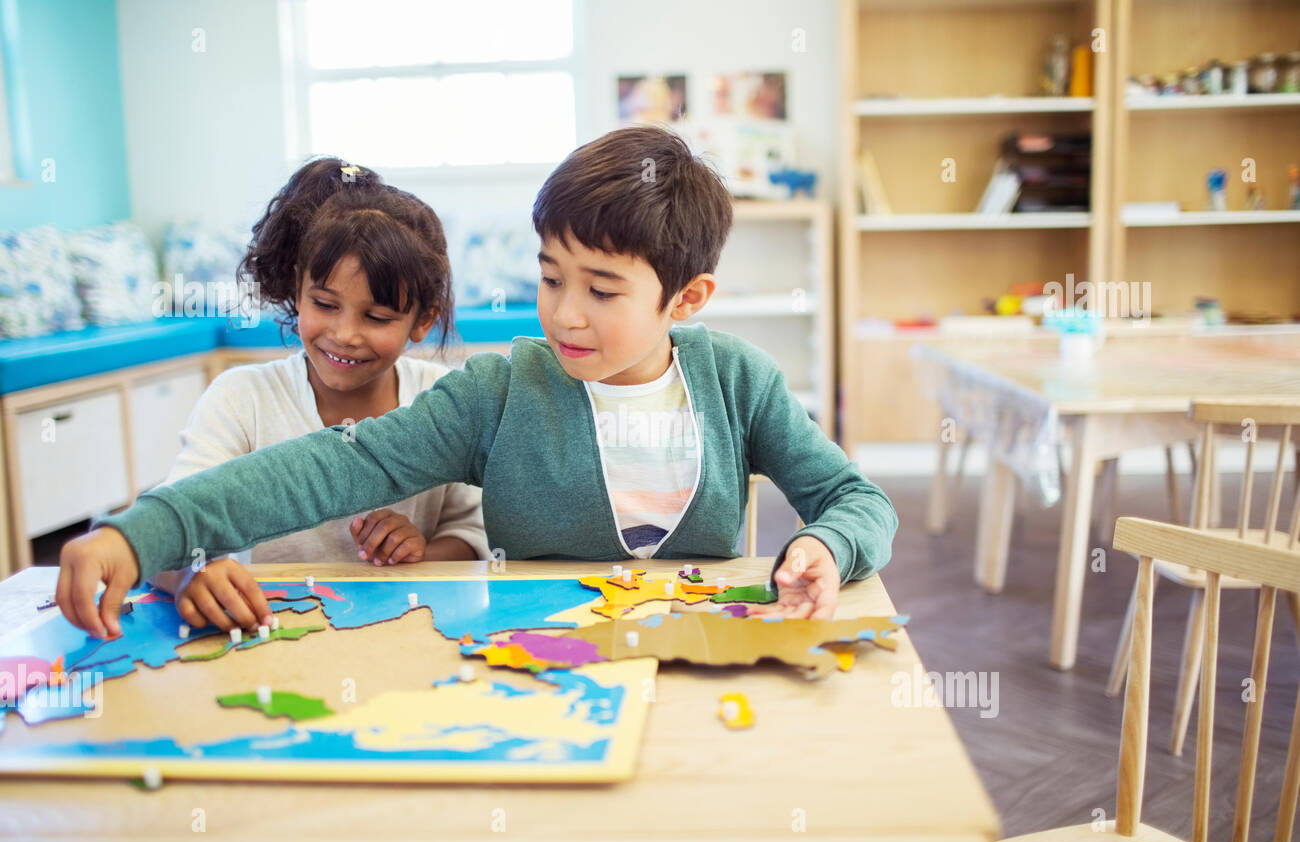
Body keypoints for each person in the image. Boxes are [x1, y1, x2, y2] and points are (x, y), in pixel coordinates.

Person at [56, 126, 897, 639]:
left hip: (703, 660)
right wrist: (141, 535)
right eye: (549, 276)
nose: (564, 314)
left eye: (601, 291)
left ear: (687, 297)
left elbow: (856, 500)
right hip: (540, 665)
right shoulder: (497, 390)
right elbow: (329, 467)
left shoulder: (739, 380)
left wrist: (825, 544)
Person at [145, 158, 489, 633]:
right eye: (325, 305)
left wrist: (424, 552)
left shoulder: (445, 399)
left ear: (424, 320)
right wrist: (190, 572)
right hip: (273, 636)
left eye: (377, 317)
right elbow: (169, 524)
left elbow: (473, 535)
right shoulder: (242, 398)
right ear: (297, 290)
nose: (345, 334)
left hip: (404, 634)